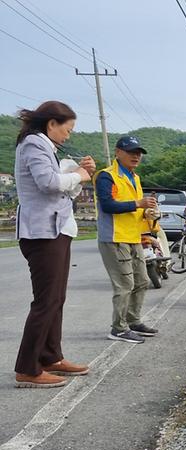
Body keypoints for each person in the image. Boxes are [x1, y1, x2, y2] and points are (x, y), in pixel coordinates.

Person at [13, 100, 95, 388]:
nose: (68, 135)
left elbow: (63, 191)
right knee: (46, 301)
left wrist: (78, 175)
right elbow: (48, 182)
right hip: (41, 233)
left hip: (56, 229)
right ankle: (28, 368)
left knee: (56, 299)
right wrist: (80, 175)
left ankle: (50, 356)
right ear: (52, 124)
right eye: (68, 129)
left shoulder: (45, 146)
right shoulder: (35, 144)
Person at [95, 136, 159, 344]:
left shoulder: (135, 178)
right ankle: (118, 328)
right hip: (114, 238)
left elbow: (136, 209)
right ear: (118, 152)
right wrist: (138, 203)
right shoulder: (107, 177)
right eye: (131, 151)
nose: (136, 156)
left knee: (141, 281)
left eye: (138, 152)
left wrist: (146, 213)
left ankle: (133, 321)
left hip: (133, 237)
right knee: (124, 284)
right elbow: (108, 206)